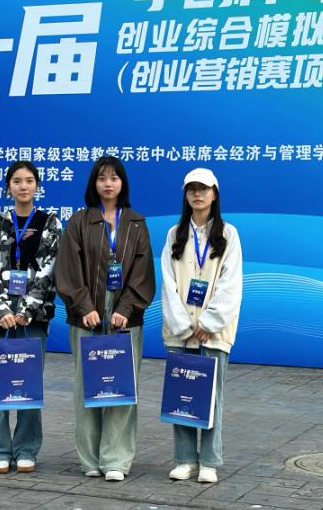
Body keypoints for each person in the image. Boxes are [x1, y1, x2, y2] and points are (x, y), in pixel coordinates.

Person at [56, 155, 156, 482]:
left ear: (122, 183)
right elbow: (68, 269)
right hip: (87, 318)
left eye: (114, 178)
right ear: (94, 184)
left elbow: (143, 273)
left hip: (125, 320)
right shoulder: (79, 222)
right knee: (87, 387)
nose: (108, 183)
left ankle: (116, 459)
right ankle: (89, 458)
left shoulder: (136, 223)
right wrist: (84, 307)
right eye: (102, 178)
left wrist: (125, 309)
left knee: (122, 387)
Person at [0, 160, 61, 474]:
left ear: (37, 186)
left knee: (28, 385)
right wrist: (3, 310)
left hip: (32, 321)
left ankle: (26, 449)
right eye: (17, 181)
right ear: (8, 187)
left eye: (29, 181)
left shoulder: (50, 223)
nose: (24, 186)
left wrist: (26, 311)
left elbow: (50, 271)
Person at [160, 167, 243, 484]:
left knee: (211, 397)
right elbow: (168, 283)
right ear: (185, 194)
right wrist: (183, 325)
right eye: (192, 189)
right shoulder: (174, 234)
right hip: (180, 333)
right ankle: (184, 459)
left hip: (213, 334)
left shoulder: (228, 234)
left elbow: (231, 284)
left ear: (214, 194)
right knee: (181, 394)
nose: (198, 194)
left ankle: (208, 461)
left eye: (203, 189)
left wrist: (209, 322)